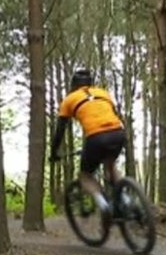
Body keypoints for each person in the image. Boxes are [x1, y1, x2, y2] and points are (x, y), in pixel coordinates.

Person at [49, 68, 127, 220]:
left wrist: (53, 152)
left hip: (96, 137)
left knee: (85, 176)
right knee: (110, 166)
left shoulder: (69, 99)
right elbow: (112, 114)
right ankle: (126, 199)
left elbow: (60, 130)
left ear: (73, 85)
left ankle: (105, 207)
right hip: (118, 132)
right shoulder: (103, 93)